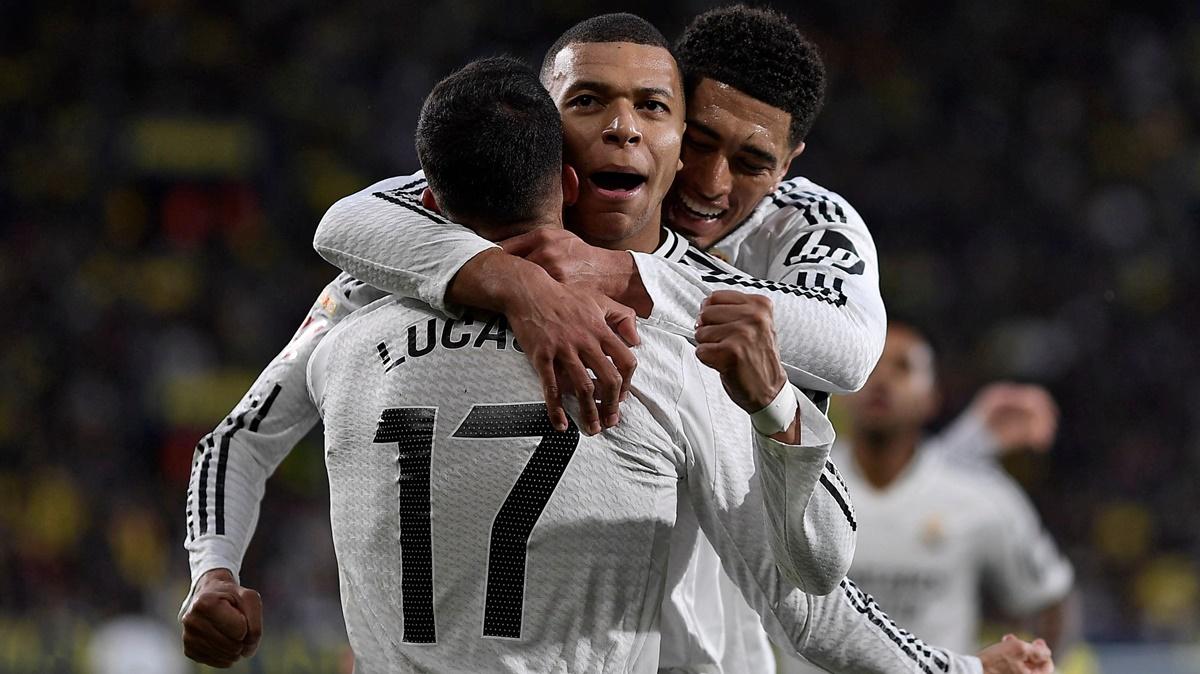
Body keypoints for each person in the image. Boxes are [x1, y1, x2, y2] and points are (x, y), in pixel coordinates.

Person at [304, 56, 1044, 674]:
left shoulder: (357, 328)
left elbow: (248, 423)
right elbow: (813, 596)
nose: (712, 181)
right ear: (567, 169)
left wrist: (214, 566)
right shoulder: (663, 355)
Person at [780, 322, 1074, 673]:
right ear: (844, 386)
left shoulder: (981, 495)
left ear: (932, 397)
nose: (882, 380)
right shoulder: (799, 479)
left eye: (903, 367)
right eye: (872, 365)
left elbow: (1050, 597)